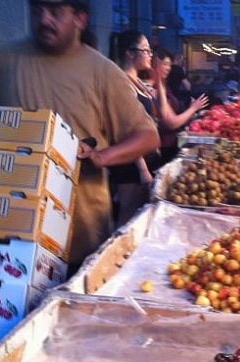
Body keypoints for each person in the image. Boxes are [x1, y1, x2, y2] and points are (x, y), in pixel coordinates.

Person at [0, 0, 160, 274]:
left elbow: (148, 136)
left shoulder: (103, 72)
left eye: (55, 12)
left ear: (80, 19)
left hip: (80, 237)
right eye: (37, 11)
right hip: (10, 231)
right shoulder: (5, 59)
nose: (44, 20)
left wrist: (103, 156)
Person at [109, 29, 161, 228]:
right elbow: (126, 129)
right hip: (131, 163)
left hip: (146, 157)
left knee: (140, 214)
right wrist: (142, 168)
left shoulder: (138, 82)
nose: (150, 55)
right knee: (128, 214)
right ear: (130, 54)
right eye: (145, 50)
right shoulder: (122, 84)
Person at [144, 47, 209, 170]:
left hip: (170, 144)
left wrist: (190, 111)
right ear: (155, 64)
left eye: (170, 64)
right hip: (162, 148)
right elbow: (171, 122)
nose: (168, 68)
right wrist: (193, 109)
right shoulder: (152, 89)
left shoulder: (163, 87)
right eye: (165, 64)